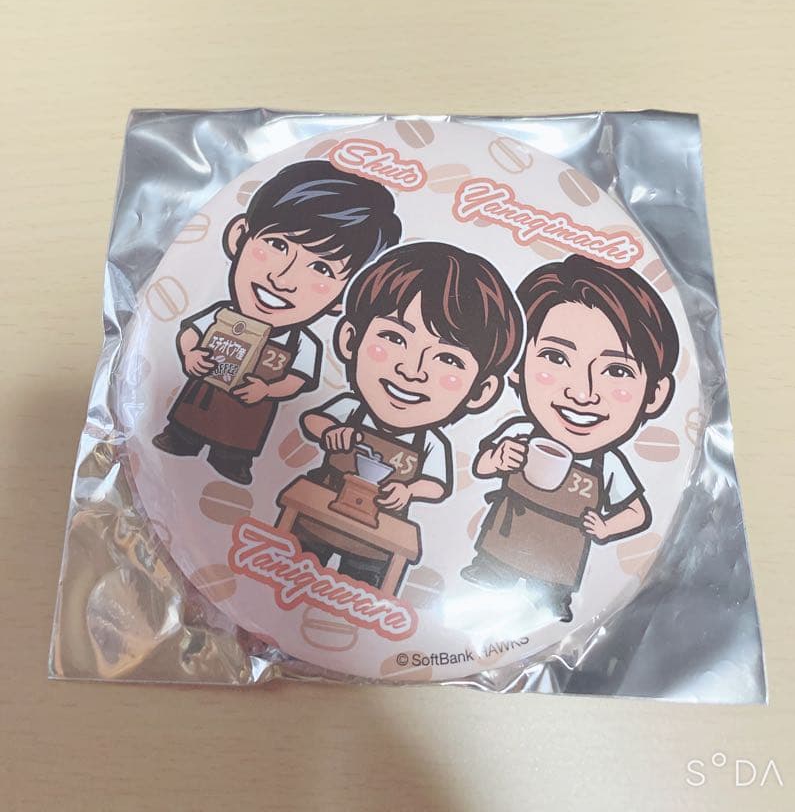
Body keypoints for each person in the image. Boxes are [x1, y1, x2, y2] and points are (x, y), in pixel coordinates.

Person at [153, 160, 402, 484]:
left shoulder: (302, 343)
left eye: (321, 269)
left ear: (342, 300)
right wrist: (190, 355)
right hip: (205, 391)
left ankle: (232, 461)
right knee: (189, 419)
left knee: (241, 436)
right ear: (239, 237)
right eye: (278, 245)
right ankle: (180, 439)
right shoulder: (222, 313)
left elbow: (298, 379)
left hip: (251, 405)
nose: (282, 280)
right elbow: (191, 332)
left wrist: (268, 388)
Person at [293, 240, 523, 589]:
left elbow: (436, 484)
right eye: (394, 337)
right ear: (351, 340)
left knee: (362, 588)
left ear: (481, 391)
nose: (412, 370)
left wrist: (409, 490)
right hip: (319, 511)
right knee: (292, 562)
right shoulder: (352, 409)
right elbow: (311, 419)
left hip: (378, 534)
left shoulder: (430, 442)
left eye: (448, 359)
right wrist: (329, 432)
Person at [462, 253, 679, 621]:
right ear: (517, 364)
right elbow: (482, 466)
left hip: (560, 557)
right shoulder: (519, 433)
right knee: (493, 566)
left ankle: (552, 599)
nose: (582, 393)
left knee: (552, 589)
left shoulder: (609, 465)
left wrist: (607, 526)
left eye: (616, 370)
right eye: (556, 357)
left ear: (655, 394)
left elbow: (637, 511)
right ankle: (492, 570)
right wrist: (497, 458)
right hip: (506, 538)